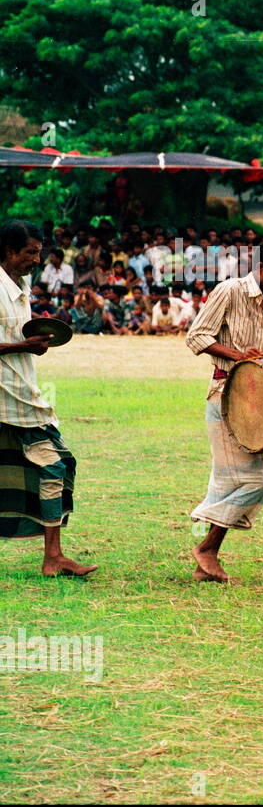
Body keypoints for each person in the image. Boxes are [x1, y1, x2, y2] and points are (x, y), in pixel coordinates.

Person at [184, 238, 263, 581]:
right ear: (260, 267)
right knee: (253, 482)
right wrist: (238, 356)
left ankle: (206, 561)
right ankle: (206, 548)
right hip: (224, 396)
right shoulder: (229, 291)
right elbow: (196, 337)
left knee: (231, 480)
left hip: (254, 400)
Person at [0, 220, 97, 577]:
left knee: (57, 465)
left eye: (38, 252)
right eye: (30, 252)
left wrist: (31, 346)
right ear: (9, 251)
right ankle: (53, 556)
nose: (36, 260)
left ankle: (53, 556)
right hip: (9, 401)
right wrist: (22, 346)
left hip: (20, 395)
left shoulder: (20, 285)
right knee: (55, 463)